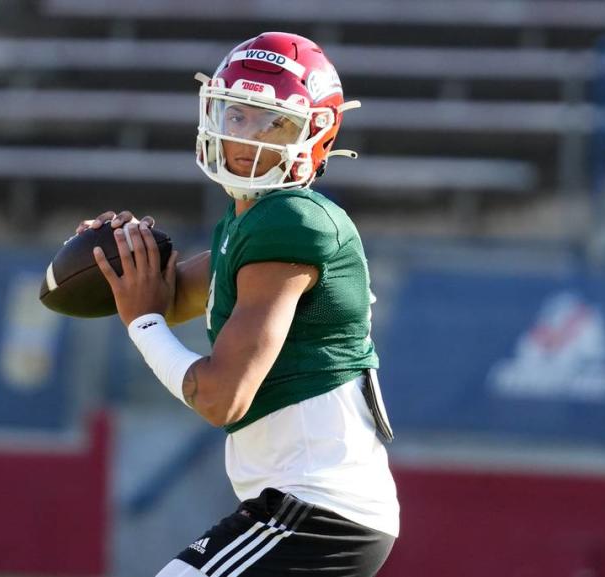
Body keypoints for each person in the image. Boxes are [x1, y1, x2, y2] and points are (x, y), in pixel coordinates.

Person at [82, 32, 398, 577]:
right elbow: (168, 294)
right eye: (236, 115)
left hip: (317, 509)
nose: (245, 137)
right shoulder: (253, 219)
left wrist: (143, 325)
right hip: (313, 505)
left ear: (315, 134)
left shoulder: (291, 221)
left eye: (271, 122)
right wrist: (117, 256)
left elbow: (220, 397)